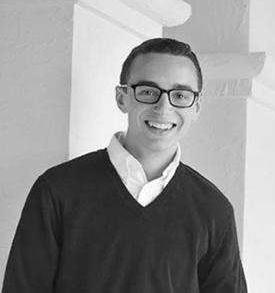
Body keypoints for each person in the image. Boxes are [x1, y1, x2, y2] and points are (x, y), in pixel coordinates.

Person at [2, 38, 247, 293]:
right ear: (122, 98)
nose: (163, 107)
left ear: (196, 106)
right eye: (148, 91)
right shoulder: (57, 190)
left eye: (180, 95)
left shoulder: (214, 210)